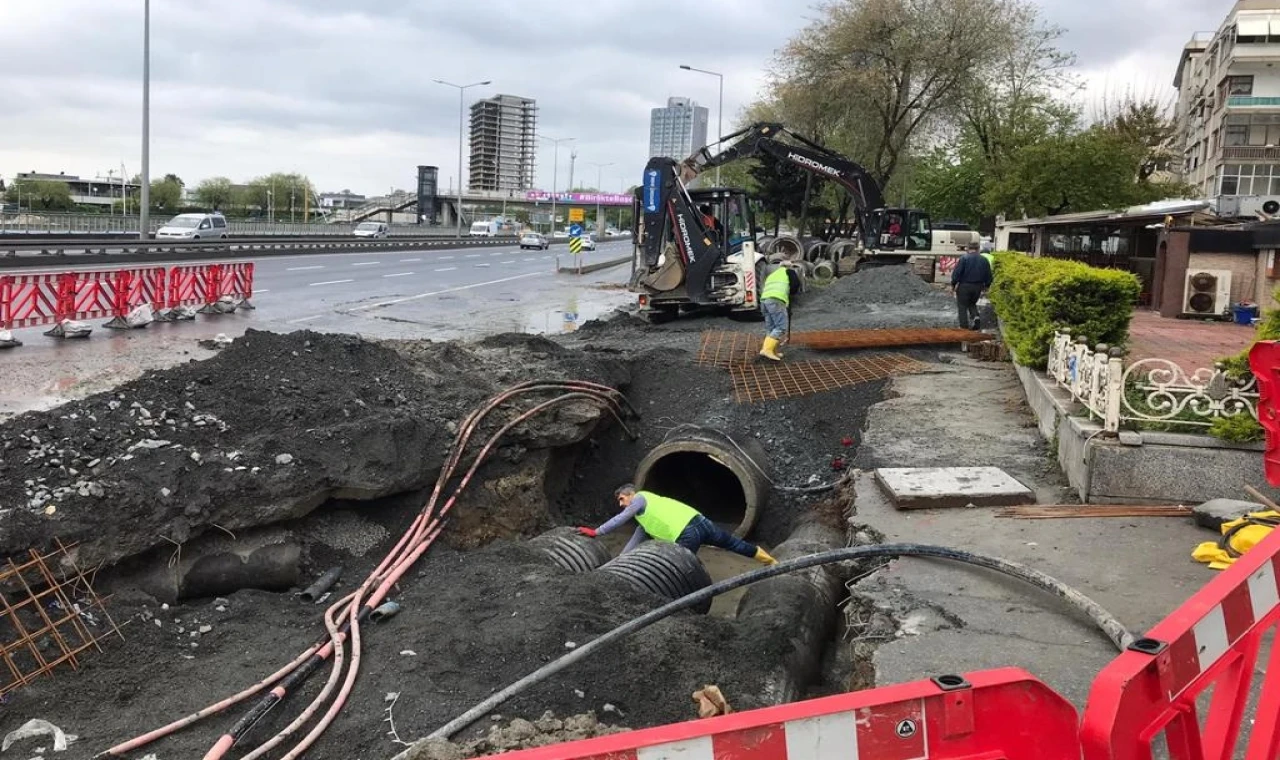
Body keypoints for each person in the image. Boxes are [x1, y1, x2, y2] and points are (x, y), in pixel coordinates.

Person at [578, 484, 777, 565]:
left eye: (622, 499)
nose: (621, 504)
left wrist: (597, 531)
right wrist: (620, 560)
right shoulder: (645, 519)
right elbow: (636, 539)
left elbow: (619, 519)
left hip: (687, 532)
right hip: (702, 522)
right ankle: (771, 562)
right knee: (734, 544)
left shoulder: (640, 498)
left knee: (678, 566)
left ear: (631, 494)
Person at [759, 263, 802, 361]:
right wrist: (791, 293)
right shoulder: (789, 271)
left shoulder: (773, 274)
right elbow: (795, 285)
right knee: (781, 327)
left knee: (771, 327)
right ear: (788, 266)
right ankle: (766, 349)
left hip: (764, 301)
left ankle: (772, 351)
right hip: (776, 300)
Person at [951, 242, 993, 330]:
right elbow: (988, 274)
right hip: (978, 287)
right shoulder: (984, 260)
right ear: (978, 249)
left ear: (968, 248)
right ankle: (975, 317)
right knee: (972, 303)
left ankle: (964, 326)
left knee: (962, 306)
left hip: (964, 286)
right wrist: (987, 286)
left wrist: (953, 284)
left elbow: (957, 273)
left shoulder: (964, 258)